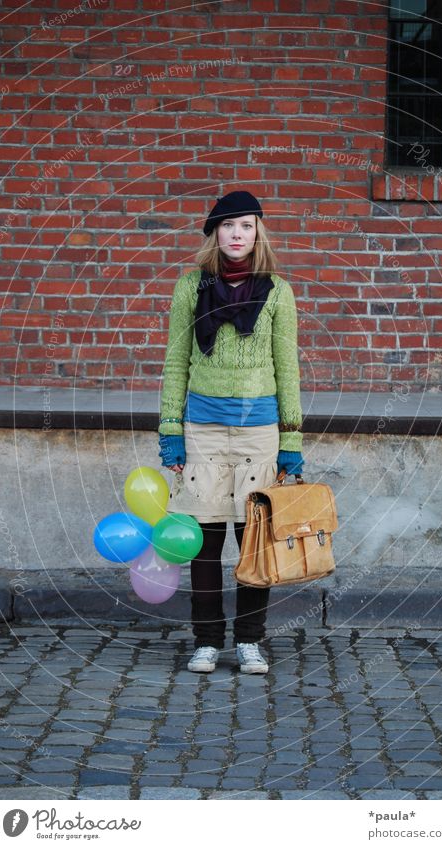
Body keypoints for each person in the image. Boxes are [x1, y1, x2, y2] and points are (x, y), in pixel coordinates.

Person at [158, 190, 304, 674]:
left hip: (258, 433)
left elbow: (289, 369)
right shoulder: (190, 287)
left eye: (245, 225)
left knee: (254, 542)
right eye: (226, 226)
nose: (236, 234)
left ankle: (249, 641)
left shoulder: (278, 291)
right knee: (203, 541)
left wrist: (291, 441)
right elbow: (176, 363)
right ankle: (206, 640)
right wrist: (171, 430)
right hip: (202, 430)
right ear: (213, 233)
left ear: (257, 231)